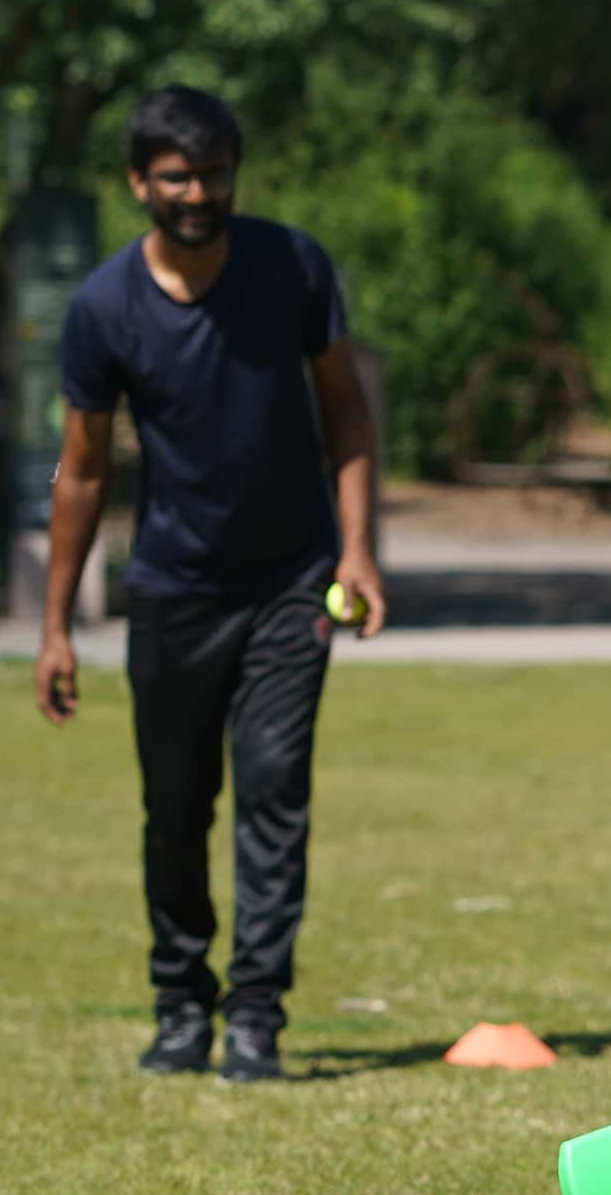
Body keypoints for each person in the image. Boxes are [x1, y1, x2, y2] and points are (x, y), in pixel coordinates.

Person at [35, 85, 387, 1083]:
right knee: (177, 804)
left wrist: (358, 553)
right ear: (139, 182)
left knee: (276, 793)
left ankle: (256, 1022)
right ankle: (181, 1006)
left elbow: (346, 413)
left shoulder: (291, 266)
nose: (199, 192)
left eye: (215, 172)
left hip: (291, 582)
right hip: (173, 590)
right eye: (178, 176)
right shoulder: (104, 308)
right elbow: (84, 470)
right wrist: (57, 624)